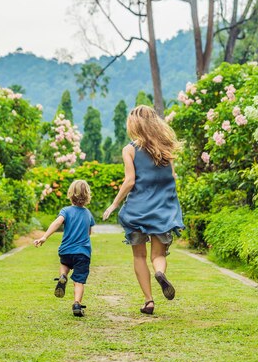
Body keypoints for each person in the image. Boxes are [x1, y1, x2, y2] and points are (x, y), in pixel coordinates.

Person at [103, 105, 184, 315]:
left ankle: (149, 301)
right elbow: (172, 177)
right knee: (158, 254)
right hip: (162, 211)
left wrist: (114, 204)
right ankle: (159, 273)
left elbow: (130, 181)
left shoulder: (129, 149)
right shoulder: (165, 148)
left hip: (137, 211)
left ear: (133, 124)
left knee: (139, 256)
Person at [34, 180, 95, 317]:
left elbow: (57, 222)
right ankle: (77, 304)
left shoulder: (66, 211)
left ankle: (63, 276)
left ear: (70, 194)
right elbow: (89, 233)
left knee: (64, 264)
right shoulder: (88, 214)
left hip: (66, 250)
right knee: (79, 281)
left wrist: (44, 237)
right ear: (87, 195)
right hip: (83, 253)